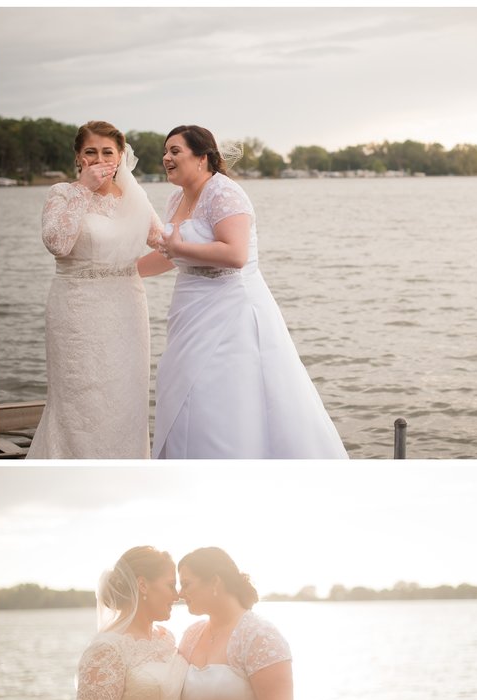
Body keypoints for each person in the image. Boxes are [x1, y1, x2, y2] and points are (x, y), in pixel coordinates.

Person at [137, 125, 348, 459]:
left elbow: (236, 255)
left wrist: (178, 246)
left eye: (175, 151)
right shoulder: (176, 197)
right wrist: (119, 274)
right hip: (189, 311)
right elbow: (173, 255)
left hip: (231, 311)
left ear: (202, 157)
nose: (166, 158)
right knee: (181, 389)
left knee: (218, 396)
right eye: (165, 151)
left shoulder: (224, 193)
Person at [29, 121, 162, 458]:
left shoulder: (134, 199)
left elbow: (163, 242)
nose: (100, 159)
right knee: (79, 395)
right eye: (91, 152)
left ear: (120, 157)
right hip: (77, 309)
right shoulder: (62, 192)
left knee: (124, 396)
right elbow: (57, 244)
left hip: (127, 308)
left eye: (107, 152)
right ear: (79, 157)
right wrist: (83, 190)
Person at [165, 547, 327, 700]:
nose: (179, 593)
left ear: (215, 581)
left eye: (187, 584)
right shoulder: (191, 635)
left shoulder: (258, 634)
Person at [75, 547, 192, 700]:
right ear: (143, 585)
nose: (177, 595)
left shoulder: (165, 638)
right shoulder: (107, 648)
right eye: (170, 585)